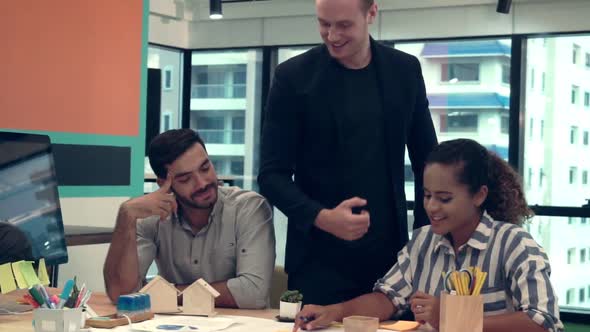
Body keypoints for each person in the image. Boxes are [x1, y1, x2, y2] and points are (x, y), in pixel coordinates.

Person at [258, 0, 437, 305]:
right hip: (317, 258)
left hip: (392, 257)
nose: (332, 35)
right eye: (323, 24)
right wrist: (322, 217)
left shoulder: (404, 70)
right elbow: (271, 175)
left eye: (343, 25)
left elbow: (428, 163)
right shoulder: (293, 77)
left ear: (371, 13)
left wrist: (423, 244)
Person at [294, 138, 564, 332]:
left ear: (479, 195)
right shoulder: (423, 241)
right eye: (426, 195)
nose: (431, 207)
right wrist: (335, 312)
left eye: (444, 198)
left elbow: (542, 321)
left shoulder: (514, 244)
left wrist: (451, 317)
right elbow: (387, 298)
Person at [104, 129, 275, 309]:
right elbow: (121, 293)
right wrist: (126, 216)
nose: (202, 183)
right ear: (164, 184)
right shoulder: (153, 217)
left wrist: (165, 293)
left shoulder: (248, 208)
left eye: (205, 168)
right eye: (186, 179)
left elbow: (253, 293)